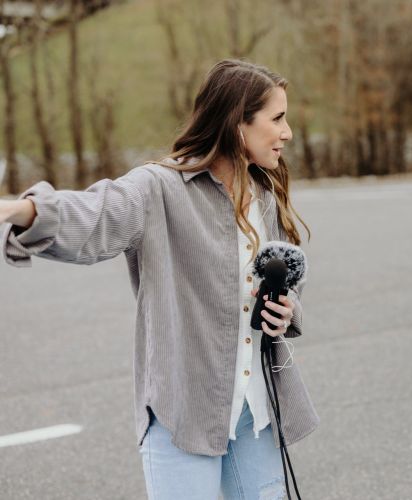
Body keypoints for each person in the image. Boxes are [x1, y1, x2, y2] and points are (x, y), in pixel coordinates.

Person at [0, 59, 318, 500]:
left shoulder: (265, 195)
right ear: (236, 123)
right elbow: (99, 214)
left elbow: (285, 284)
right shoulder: (160, 188)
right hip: (182, 412)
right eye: (277, 118)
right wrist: (23, 211)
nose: (287, 132)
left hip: (254, 413)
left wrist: (287, 311)